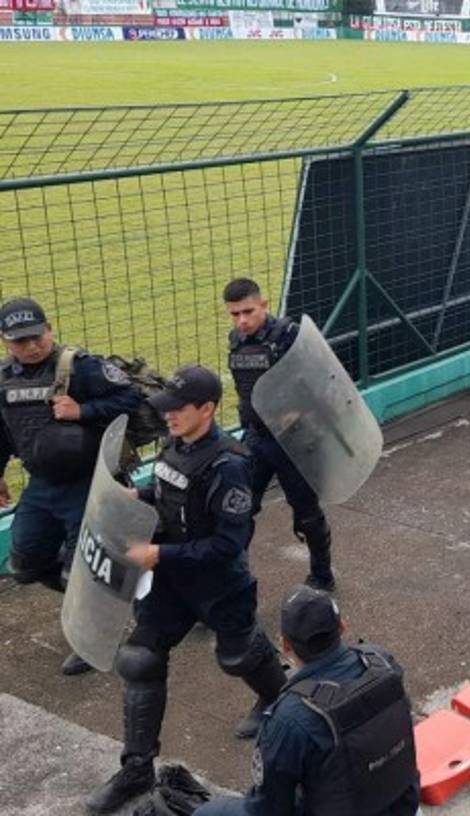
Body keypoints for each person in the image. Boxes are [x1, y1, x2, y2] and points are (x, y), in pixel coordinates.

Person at [86, 366, 288, 815]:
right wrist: (139, 496)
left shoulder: (230, 465)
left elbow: (227, 545)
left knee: (237, 657)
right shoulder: (174, 444)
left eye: (178, 410)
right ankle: (136, 770)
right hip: (171, 585)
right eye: (166, 409)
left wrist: (161, 556)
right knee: (139, 659)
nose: (169, 417)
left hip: (217, 582)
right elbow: (166, 490)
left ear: (207, 410)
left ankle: (278, 696)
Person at [0, 297, 143, 677]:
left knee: (80, 569)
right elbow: (2, 431)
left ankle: (95, 635)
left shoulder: (79, 367)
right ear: (5, 342)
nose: (31, 346)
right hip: (41, 486)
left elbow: (131, 397)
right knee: (24, 564)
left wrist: (83, 411)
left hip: (87, 483)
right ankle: (124, 594)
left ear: (50, 330)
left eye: (36, 337)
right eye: (19, 341)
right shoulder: (3, 378)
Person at [195, 586, 421, 816]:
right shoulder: (381, 661)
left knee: (208, 812)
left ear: (284, 645)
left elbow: (268, 809)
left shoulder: (290, 717)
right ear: (342, 627)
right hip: (402, 803)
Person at [224, 279, 335, 592]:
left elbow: (323, 382)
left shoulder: (290, 337)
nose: (241, 320)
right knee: (237, 511)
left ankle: (322, 575)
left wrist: (299, 411)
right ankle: (231, 582)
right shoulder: (236, 341)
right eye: (234, 314)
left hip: (293, 440)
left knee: (307, 514)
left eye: (247, 311)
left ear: (264, 304)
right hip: (257, 439)